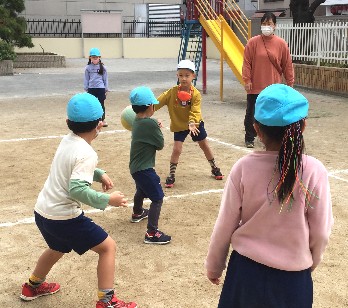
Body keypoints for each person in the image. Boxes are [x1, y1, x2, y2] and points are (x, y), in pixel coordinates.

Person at [205, 84, 333, 308]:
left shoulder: (243, 167)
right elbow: (321, 230)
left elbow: (225, 224)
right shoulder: (313, 170)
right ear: (302, 127)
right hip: (292, 280)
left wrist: (214, 265)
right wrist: (312, 261)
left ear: (257, 129)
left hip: (245, 274)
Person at [20, 92, 137, 308]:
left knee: (57, 247)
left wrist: (98, 173)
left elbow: (70, 168)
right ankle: (107, 301)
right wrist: (107, 199)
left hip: (43, 212)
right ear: (100, 125)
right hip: (64, 217)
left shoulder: (67, 140)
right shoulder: (87, 153)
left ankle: (33, 286)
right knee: (108, 247)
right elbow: (77, 189)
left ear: (68, 123)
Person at [155, 59, 223, 188]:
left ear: (193, 76)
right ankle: (171, 174)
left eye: (187, 75)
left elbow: (195, 110)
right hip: (179, 125)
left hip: (195, 125)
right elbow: (158, 102)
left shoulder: (195, 94)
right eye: (181, 75)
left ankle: (214, 167)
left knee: (204, 145)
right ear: (177, 76)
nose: (184, 78)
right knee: (177, 149)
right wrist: (146, 108)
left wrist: (192, 122)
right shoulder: (172, 92)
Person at [242, 12, 294, 148]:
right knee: (252, 113)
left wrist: (290, 83)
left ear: (275, 26)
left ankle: (272, 137)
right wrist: (247, 80)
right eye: (264, 24)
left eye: (269, 24)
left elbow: (287, 64)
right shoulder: (252, 43)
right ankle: (249, 137)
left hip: (273, 87)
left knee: (274, 113)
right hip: (255, 85)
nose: (266, 26)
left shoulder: (281, 44)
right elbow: (246, 63)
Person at [129, 86, 171, 245]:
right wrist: (158, 127)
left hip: (135, 167)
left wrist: (154, 124)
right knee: (157, 197)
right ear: (149, 107)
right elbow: (160, 144)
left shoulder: (137, 120)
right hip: (144, 168)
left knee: (141, 190)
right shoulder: (150, 124)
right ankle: (152, 233)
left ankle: (137, 212)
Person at [84, 47, 109, 127]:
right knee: (92, 104)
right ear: (90, 58)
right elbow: (86, 78)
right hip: (91, 88)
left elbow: (105, 79)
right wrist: (86, 87)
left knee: (101, 104)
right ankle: (93, 120)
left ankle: (102, 119)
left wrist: (106, 89)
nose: (95, 59)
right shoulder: (88, 68)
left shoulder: (103, 68)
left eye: (96, 57)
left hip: (100, 89)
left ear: (99, 58)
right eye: (93, 57)